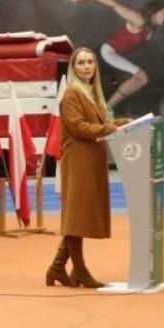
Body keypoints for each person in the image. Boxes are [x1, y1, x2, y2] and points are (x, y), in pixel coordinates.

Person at [46, 46, 130, 289]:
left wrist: (120, 123)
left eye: (90, 62)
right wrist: (110, 129)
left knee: (79, 216)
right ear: (73, 67)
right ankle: (79, 269)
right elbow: (78, 127)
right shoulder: (73, 93)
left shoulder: (91, 92)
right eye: (81, 63)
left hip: (91, 159)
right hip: (79, 160)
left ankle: (57, 267)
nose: (86, 67)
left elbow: (96, 124)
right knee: (78, 215)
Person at [70, 0, 164, 109]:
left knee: (133, 80)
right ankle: (107, 109)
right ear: (155, 11)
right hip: (105, 53)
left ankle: (103, 109)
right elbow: (114, 5)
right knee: (141, 77)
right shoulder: (139, 20)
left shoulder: (154, 27)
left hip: (112, 57)